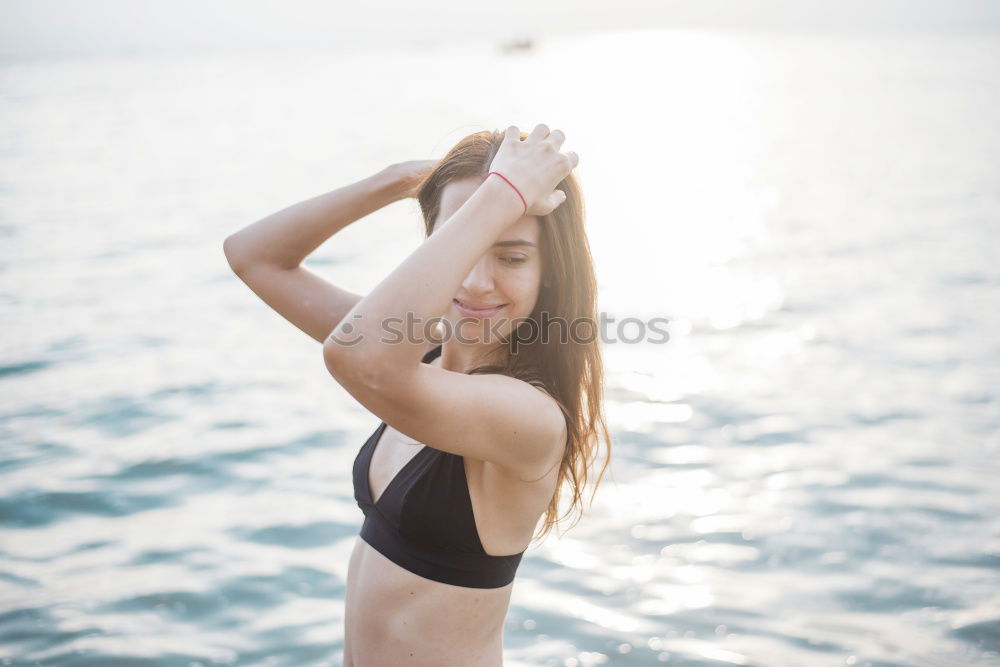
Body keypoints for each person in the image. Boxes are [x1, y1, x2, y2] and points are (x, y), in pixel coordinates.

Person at [223, 124, 611, 665]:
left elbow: (355, 359)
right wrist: (402, 180)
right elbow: (253, 256)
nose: (477, 281)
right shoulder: (422, 351)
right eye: (466, 241)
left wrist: (501, 197)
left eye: (513, 256)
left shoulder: (529, 414)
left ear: (550, 274)